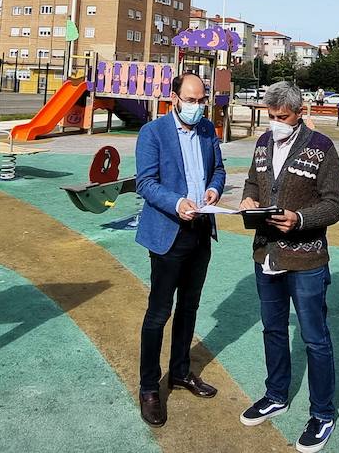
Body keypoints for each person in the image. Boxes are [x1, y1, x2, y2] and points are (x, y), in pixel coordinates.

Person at [239, 81, 339, 453]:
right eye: (270, 116)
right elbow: (253, 180)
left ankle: (323, 413)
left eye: (282, 117)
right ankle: (276, 395)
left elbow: (334, 205)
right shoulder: (263, 143)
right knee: (272, 329)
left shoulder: (322, 148)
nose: (275, 123)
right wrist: (249, 198)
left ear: (300, 114)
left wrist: (299, 219)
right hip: (266, 253)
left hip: (306, 258)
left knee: (315, 338)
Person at [134, 72, 226, 427]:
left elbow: (218, 170)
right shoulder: (153, 133)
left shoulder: (206, 131)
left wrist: (214, 191)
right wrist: (177, 203)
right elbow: (146, 183)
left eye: (201, 100)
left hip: (201, 231)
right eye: (190, 99)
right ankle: (148, 388)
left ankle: (180, 372)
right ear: (174, 97)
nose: (197, 106)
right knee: (159, 313)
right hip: (169, 233)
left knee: (189, 307)